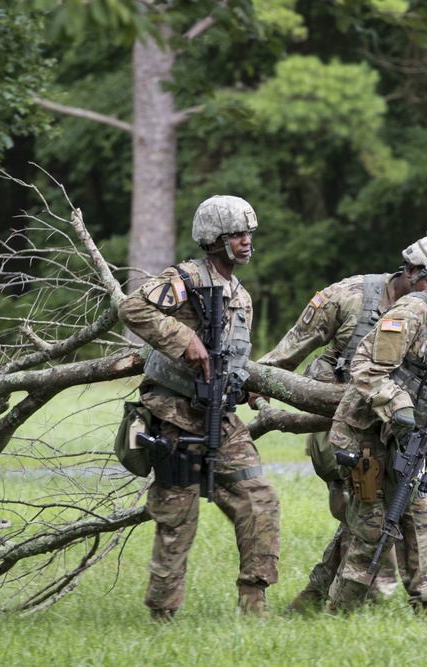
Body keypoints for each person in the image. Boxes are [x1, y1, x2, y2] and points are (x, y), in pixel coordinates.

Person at [254, 235, 427, 612]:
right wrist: (254, 383)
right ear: (411, 273)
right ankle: (357, 588)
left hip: (395, 428)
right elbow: (290, 349)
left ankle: (332, 593)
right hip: (342, 423)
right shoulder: (349, 297)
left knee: (377, 511)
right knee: (356, 506)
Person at [117, 195, 280, 621]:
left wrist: (245, 388)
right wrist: (181, 338)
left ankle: (254, 601)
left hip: (220, 418)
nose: (247, 242)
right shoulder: (184, 278)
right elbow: (131, 307)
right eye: (237, 235)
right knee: (177, 519)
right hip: (173, 415)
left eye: (249, 234)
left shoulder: (239, 294)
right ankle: (162, 615)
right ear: (214, 240)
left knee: (258, 499)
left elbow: (234, 357)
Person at [326, 236, 427, 617]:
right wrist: (399, 406)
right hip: (364, 434)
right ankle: (337, 615)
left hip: (408, 441)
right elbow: (366, 369)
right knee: (370, 529)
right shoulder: (410, 313)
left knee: (421, 517)